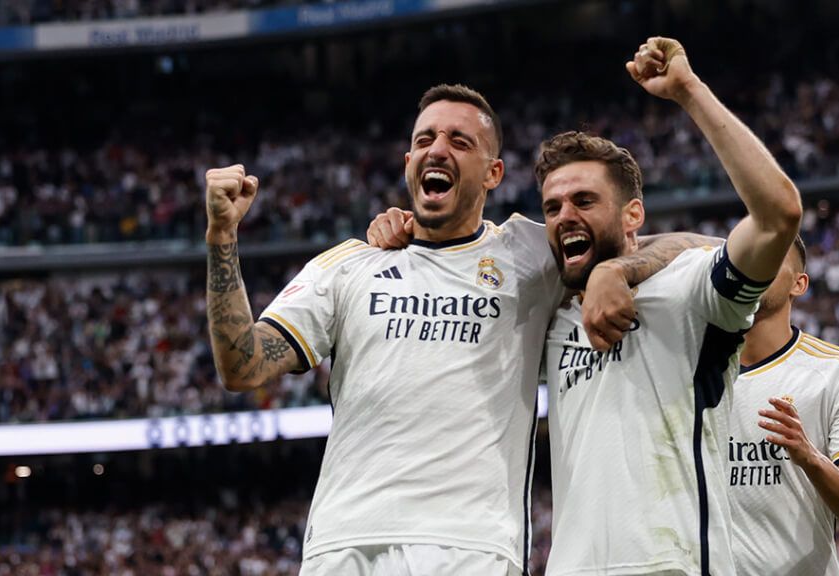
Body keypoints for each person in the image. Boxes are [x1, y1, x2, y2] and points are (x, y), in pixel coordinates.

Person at [205, 84, 681, 576]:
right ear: (408, 160)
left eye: (460, 141)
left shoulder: (530, 253)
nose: (438, 149)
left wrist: (614, 271)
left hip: (470, 548)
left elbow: (693, 246)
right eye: (426, 139)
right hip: (343, 543)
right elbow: (243, 365)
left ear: (493, 172)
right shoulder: (348, 265)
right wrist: (222, 237)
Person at [540, 37, 802, 576]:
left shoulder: (691, 289)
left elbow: (778, 215)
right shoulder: (548, 309)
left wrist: (689, 92)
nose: (565, 215)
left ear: (633, 215)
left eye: (585, 201)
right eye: (552, 206)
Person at [726, 236, 839, 575]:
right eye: (749, 257)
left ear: (799, 284)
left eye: (771, 258)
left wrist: (810, 457)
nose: (757, 266)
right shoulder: (696, 371)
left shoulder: (836, 371)